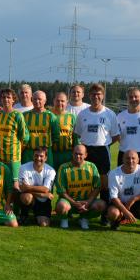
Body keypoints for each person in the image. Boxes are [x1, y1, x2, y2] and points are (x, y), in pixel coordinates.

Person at [74, 82, 119, 225]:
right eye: (93, 94)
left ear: (103, 96)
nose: (96, 97)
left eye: (98, 94)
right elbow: (77, 134)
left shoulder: (109, 114)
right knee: (87, 183)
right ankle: (84, 212)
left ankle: (104, 215)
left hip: (102, 151)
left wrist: (104, 145)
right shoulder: (83, 114)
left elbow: (116, 136)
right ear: (89, 96)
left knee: (104, 185)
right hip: (87, 151)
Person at [106, 150, 140, 236]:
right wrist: (125, 212)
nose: (130, 161)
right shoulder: (114, 173)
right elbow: (113, 197)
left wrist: (135, 198)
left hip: (138, 204)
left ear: (138, 160)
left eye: (133, 158)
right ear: (123, 159)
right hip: (120, 204)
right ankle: (116, 222)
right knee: (113, 213)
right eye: (127, 158)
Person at [55, 145, 107, 229]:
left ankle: (84, 218)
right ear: (72, 154)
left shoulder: (91, 166)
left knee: (102, 205)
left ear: (86, 155)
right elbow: (61, 191)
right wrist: (74, 203)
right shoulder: (63, 168)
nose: (78, 156)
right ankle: (64, 219)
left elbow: (97, 187)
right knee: (62, 206)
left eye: (80, 154)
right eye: (75, 154)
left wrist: (88, 202)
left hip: (86, 203)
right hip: (70, 202)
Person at [0, 88, 30, 189]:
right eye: (3, 97)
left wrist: (19, 150)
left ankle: (17, 205)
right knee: (1, 184)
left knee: (15, 185)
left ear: (13, 100)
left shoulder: (18, 115)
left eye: (8, 97)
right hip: (0, 157)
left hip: (13, 157)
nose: (6, 100)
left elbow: (25, 137)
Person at [116, 86, 140, 168]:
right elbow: (117, 136)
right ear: (127, 99)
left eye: (136, 97)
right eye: (130, 97)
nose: (133, 99)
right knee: (122, 180)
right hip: (124, 154)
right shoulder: (120, 116)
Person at [18, 146, 56, 227]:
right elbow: (22, 189)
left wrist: (28, 187)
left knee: (44, 224)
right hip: (31, 197)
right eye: (36, 155)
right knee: (26, 197)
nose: (38, 158)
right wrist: (42, 194)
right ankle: (24, 214)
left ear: (45, 158)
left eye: (41, 156)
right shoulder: (23, 168)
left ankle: (37, 216)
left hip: (43, 200)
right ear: (33, 156)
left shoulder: (51, 171)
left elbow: (45, 189)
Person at [21, 90, 60, 166]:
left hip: (45, 153)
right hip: (28, 153)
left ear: (45, 101)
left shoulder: (51, 116)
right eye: (35, 99)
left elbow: (56, 136)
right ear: (31, 99)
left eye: (39, 99)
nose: (37, 101)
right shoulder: (24, 116)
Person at [51, 91, 79, 169]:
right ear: (54, 101)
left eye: (62, 101)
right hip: (51, 154)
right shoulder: (48, 115)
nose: (60, 103)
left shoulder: (72, 117)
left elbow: (76, 138)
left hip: (68, 154)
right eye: (57, 101)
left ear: (67, 102)